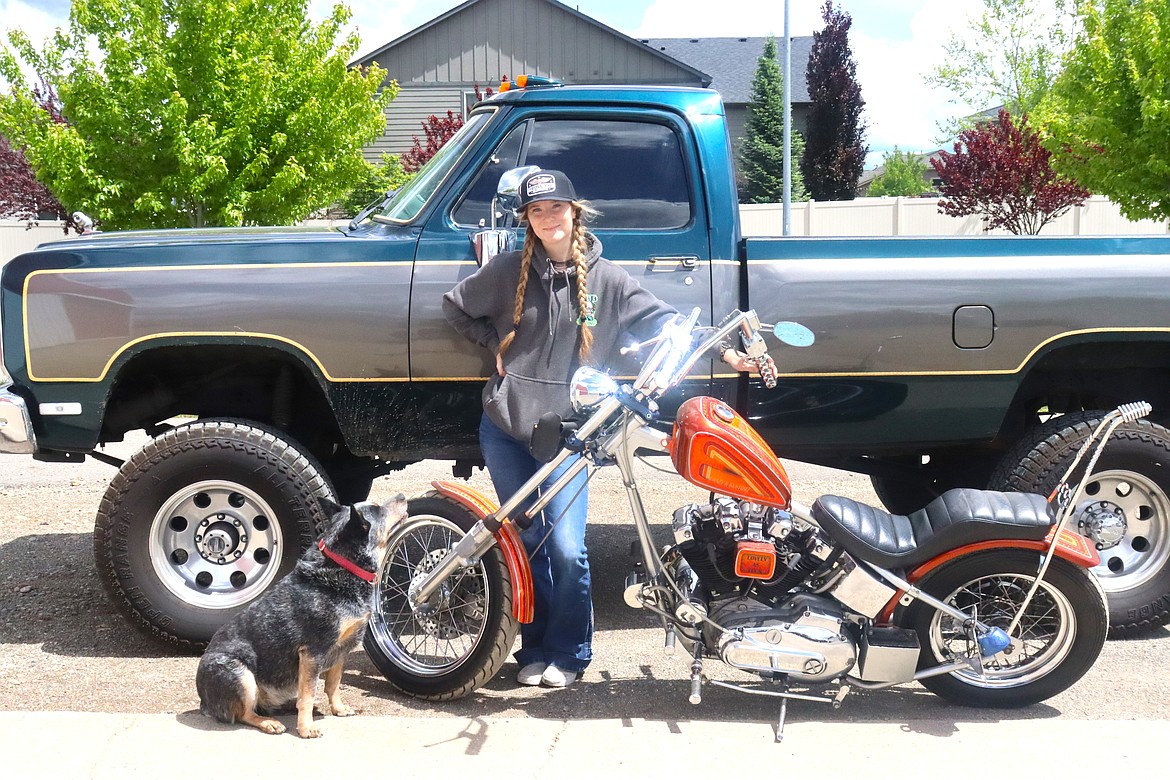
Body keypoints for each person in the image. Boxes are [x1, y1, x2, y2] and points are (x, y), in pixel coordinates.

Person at [443, 169, 761, 688]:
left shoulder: (609, 280)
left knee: (566, 547)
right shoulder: (505, 271)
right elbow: (455, 306)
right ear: (527, 220)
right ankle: (535, 649)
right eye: (536, 212)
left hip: (571, 431)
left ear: (575, 211)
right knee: (526, 543)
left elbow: (666, 322)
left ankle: (570, 652)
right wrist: (493, 348)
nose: (548, 219)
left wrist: (725, 350)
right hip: (505, 425)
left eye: (556, 209)